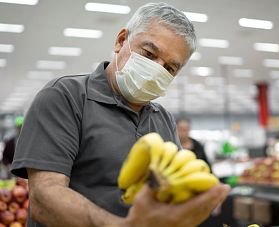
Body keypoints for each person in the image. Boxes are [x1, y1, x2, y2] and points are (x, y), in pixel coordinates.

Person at [11, 3, 230, 227]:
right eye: (149, 53)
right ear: (121, 40)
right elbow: (44, 199)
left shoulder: (162, 118)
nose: (156, 69)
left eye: (170, 68)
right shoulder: (65, 96)